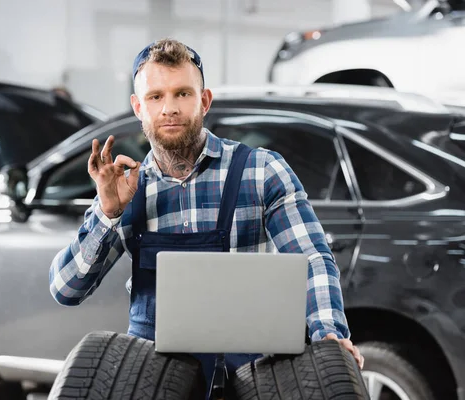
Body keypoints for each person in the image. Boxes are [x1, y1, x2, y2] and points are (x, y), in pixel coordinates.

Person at [49, 38, 363, 390]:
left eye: (183, 93)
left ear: (205, 101)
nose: (169, 108)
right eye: (156, 96)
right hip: (155, 383)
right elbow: (66, 289)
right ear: (138, 108)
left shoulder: (261, 171)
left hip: (256, 380)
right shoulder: (125, 189)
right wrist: (108, 213)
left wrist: (329, 337)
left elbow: (311, 259)